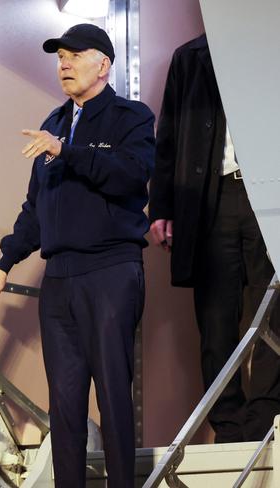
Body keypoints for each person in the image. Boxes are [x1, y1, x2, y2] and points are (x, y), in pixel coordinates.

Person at [0, 24, 155, 488]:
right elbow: (36, 208)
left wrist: (68, 152)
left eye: (75, 55)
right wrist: (4, 263)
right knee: (66, 402)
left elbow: (130, 177)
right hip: (59, 280)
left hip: (110, 271)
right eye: (60, 56)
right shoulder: (53, 123)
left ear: (104, 64)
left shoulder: (130, 117)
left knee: (114, 393)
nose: (64, 63)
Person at [149, 33, 280, 443]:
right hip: (212, 198)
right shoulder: (191, 55)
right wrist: (162, 208)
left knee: (273, 309)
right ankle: (228, 422)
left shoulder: (270, 41)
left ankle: (266, 415)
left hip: (270, 192)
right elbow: (168, 138)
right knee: (215, 318)